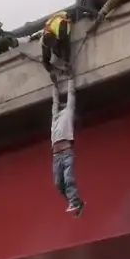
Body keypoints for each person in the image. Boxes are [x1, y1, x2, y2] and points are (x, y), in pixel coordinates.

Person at [50, 78, 84, 217]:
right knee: (59, 184)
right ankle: (75, 202)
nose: (61, 106)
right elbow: (55, 100)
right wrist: (55, 86)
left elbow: (71, 96)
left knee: (69, 179)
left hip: (67, 152)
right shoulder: (55, 117)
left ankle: (75, 201)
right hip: (56, 156)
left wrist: (70, 79)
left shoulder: (68, 112)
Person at [41, 11, 74, 77]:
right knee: (55, 52)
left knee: (61, 51)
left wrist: (66, 62)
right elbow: (45, 60)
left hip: (66, 19)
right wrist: (51, 70)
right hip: (54, 25)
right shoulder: (44, 41)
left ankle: (65, 61)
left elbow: (66, 46)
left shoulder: (62, 30)